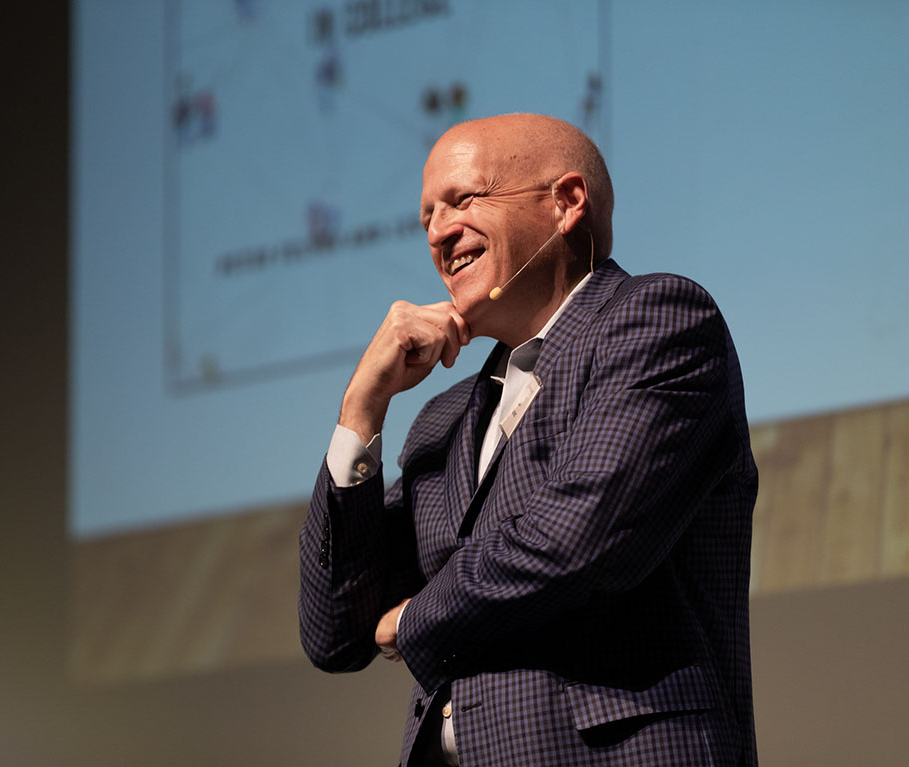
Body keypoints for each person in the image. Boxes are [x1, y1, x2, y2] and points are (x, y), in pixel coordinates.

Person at [299, 114, 758, 766]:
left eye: (464, 199)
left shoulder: (660, 323)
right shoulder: (444, 418)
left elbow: (580, 538)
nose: (438, 231)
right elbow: (336, 631)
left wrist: (412, 621)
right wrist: (361, 411)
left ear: (567, 202)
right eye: (427, 215)